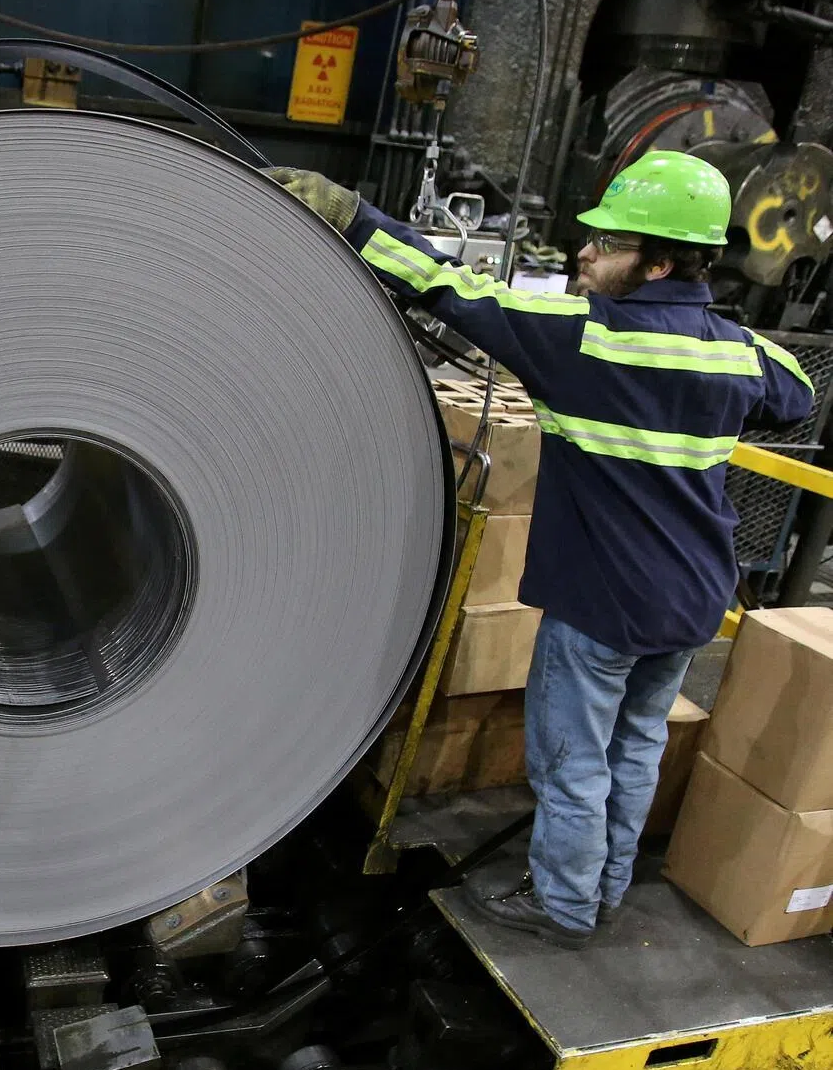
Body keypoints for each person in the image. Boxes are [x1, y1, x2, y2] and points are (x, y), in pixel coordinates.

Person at [270, 152, 815, 949]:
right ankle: (606, 890)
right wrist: (709, 325)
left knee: (572, 765)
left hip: (603, 607)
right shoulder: (733, 355)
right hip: (693, 601)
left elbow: (452, 287)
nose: (584, 253)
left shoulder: (583, 342)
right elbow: (797, 389)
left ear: (659, 262)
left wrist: (352, 218)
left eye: (609, 244)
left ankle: (562, 906)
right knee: (636, 750)